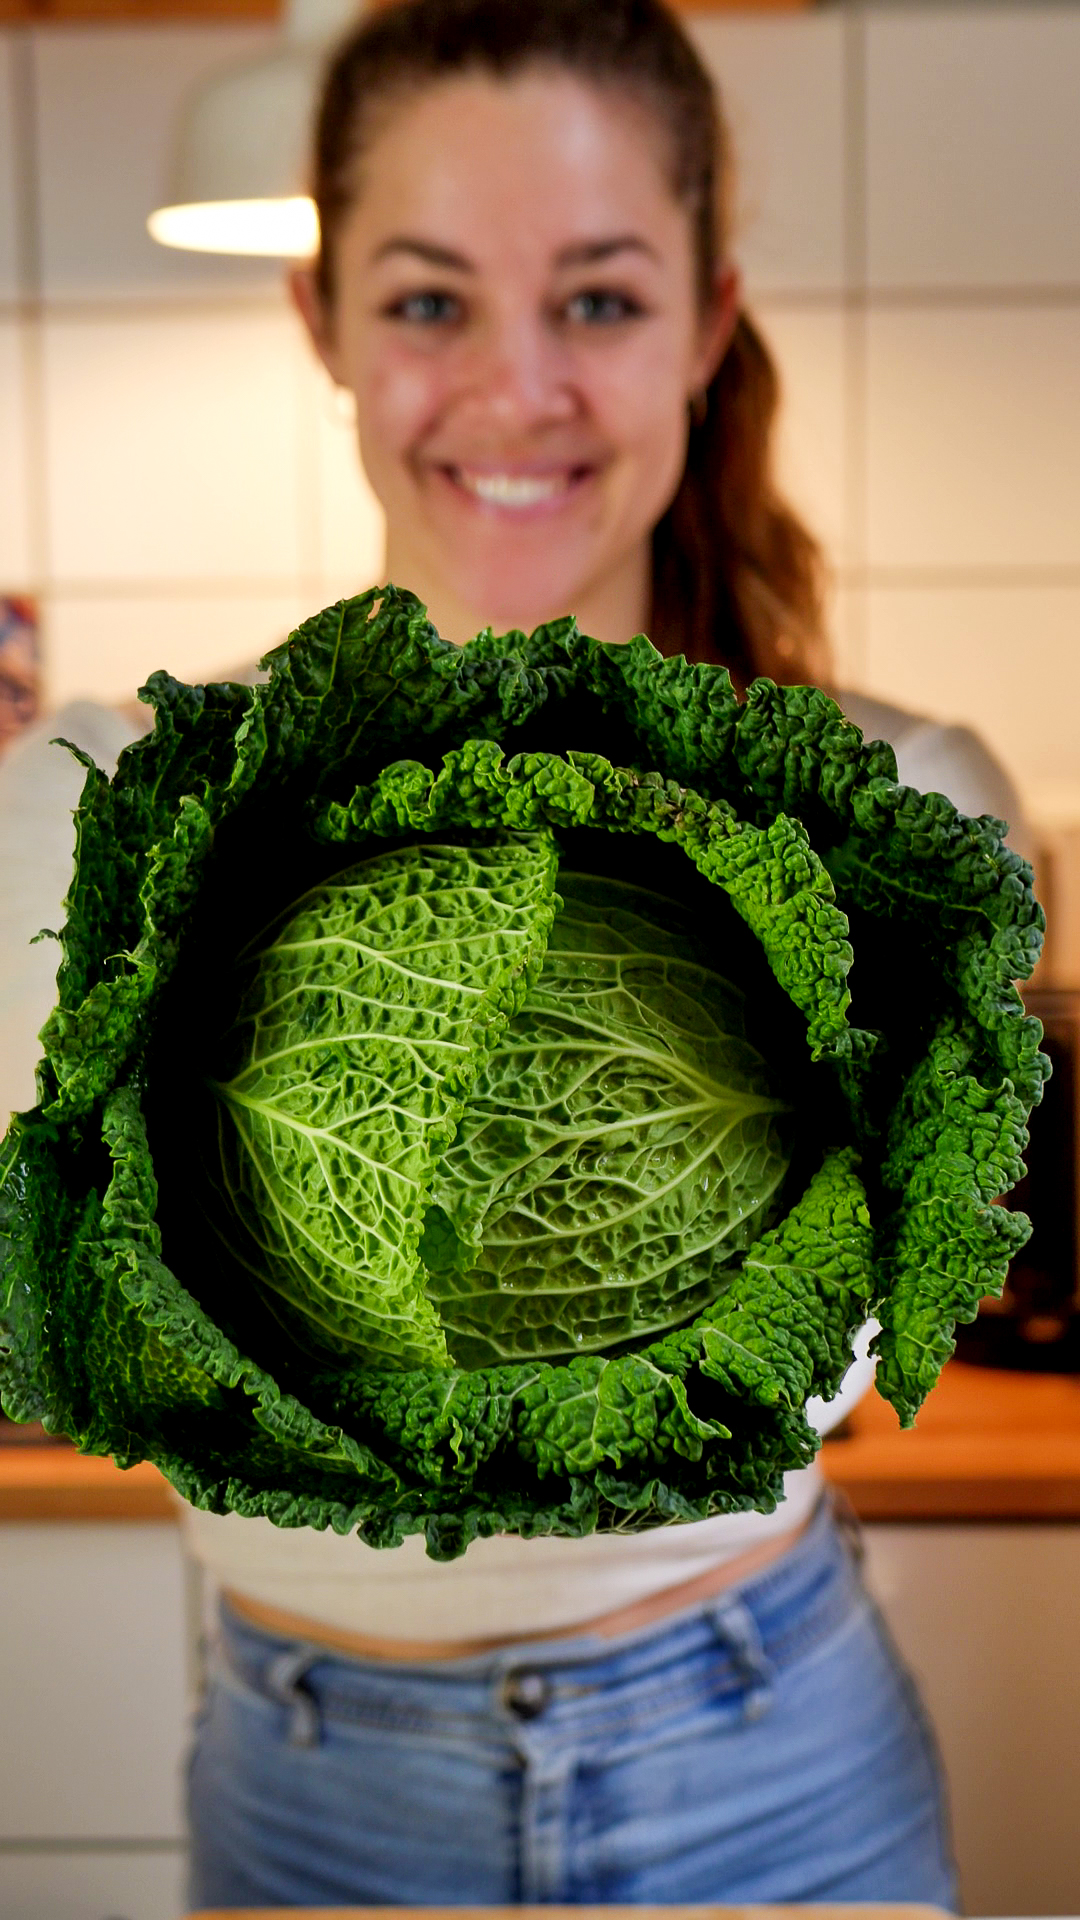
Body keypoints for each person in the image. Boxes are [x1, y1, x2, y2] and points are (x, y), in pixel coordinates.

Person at [0, 0, 1030, 1907]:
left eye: (599, 300)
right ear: (320, 322)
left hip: (770, 1779)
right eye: (428, 300)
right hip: (309, 1802)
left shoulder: (903, 823)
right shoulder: (118, 811)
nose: (515, 387)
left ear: (709, 326)